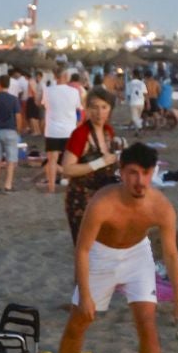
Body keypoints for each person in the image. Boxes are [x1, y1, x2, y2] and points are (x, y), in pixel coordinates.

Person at [57, 143, 178, 353]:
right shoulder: (102, 203)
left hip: (137, 256)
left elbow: (170, 254)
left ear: (153, 172)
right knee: (78, 321)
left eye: (145, 173)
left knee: (147, 323)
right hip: (100, 255)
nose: (140, 181)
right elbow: (83, 249)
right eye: (133, 172)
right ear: (121, 172)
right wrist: (85, 294)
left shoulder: (161, 207)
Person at [59, 87, 123, 240]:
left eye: (104, 107)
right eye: (94, 107)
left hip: (104, 199)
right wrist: (99, 163)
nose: (99, 112)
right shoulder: (80, 135)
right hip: (82, 201)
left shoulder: (108, 131)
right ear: (87, 109)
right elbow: (66, 169)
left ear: (110, 110)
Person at [42, 71, 84, 194]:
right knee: (70, 160)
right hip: (69, 130)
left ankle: (51, 187)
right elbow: (78, 108)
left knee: (52, 160)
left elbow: (45, 105)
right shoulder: (74, 92)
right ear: (67, 78)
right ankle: (68, 183)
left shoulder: (48, 90)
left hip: (52, 130)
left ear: (56, 77)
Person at [0, 81, 22, 193]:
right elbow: (18, 117)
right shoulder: (14, 99)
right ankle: (8, 185)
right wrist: (18, 130)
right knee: (11, 160)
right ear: (8, 85)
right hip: (11, 130)